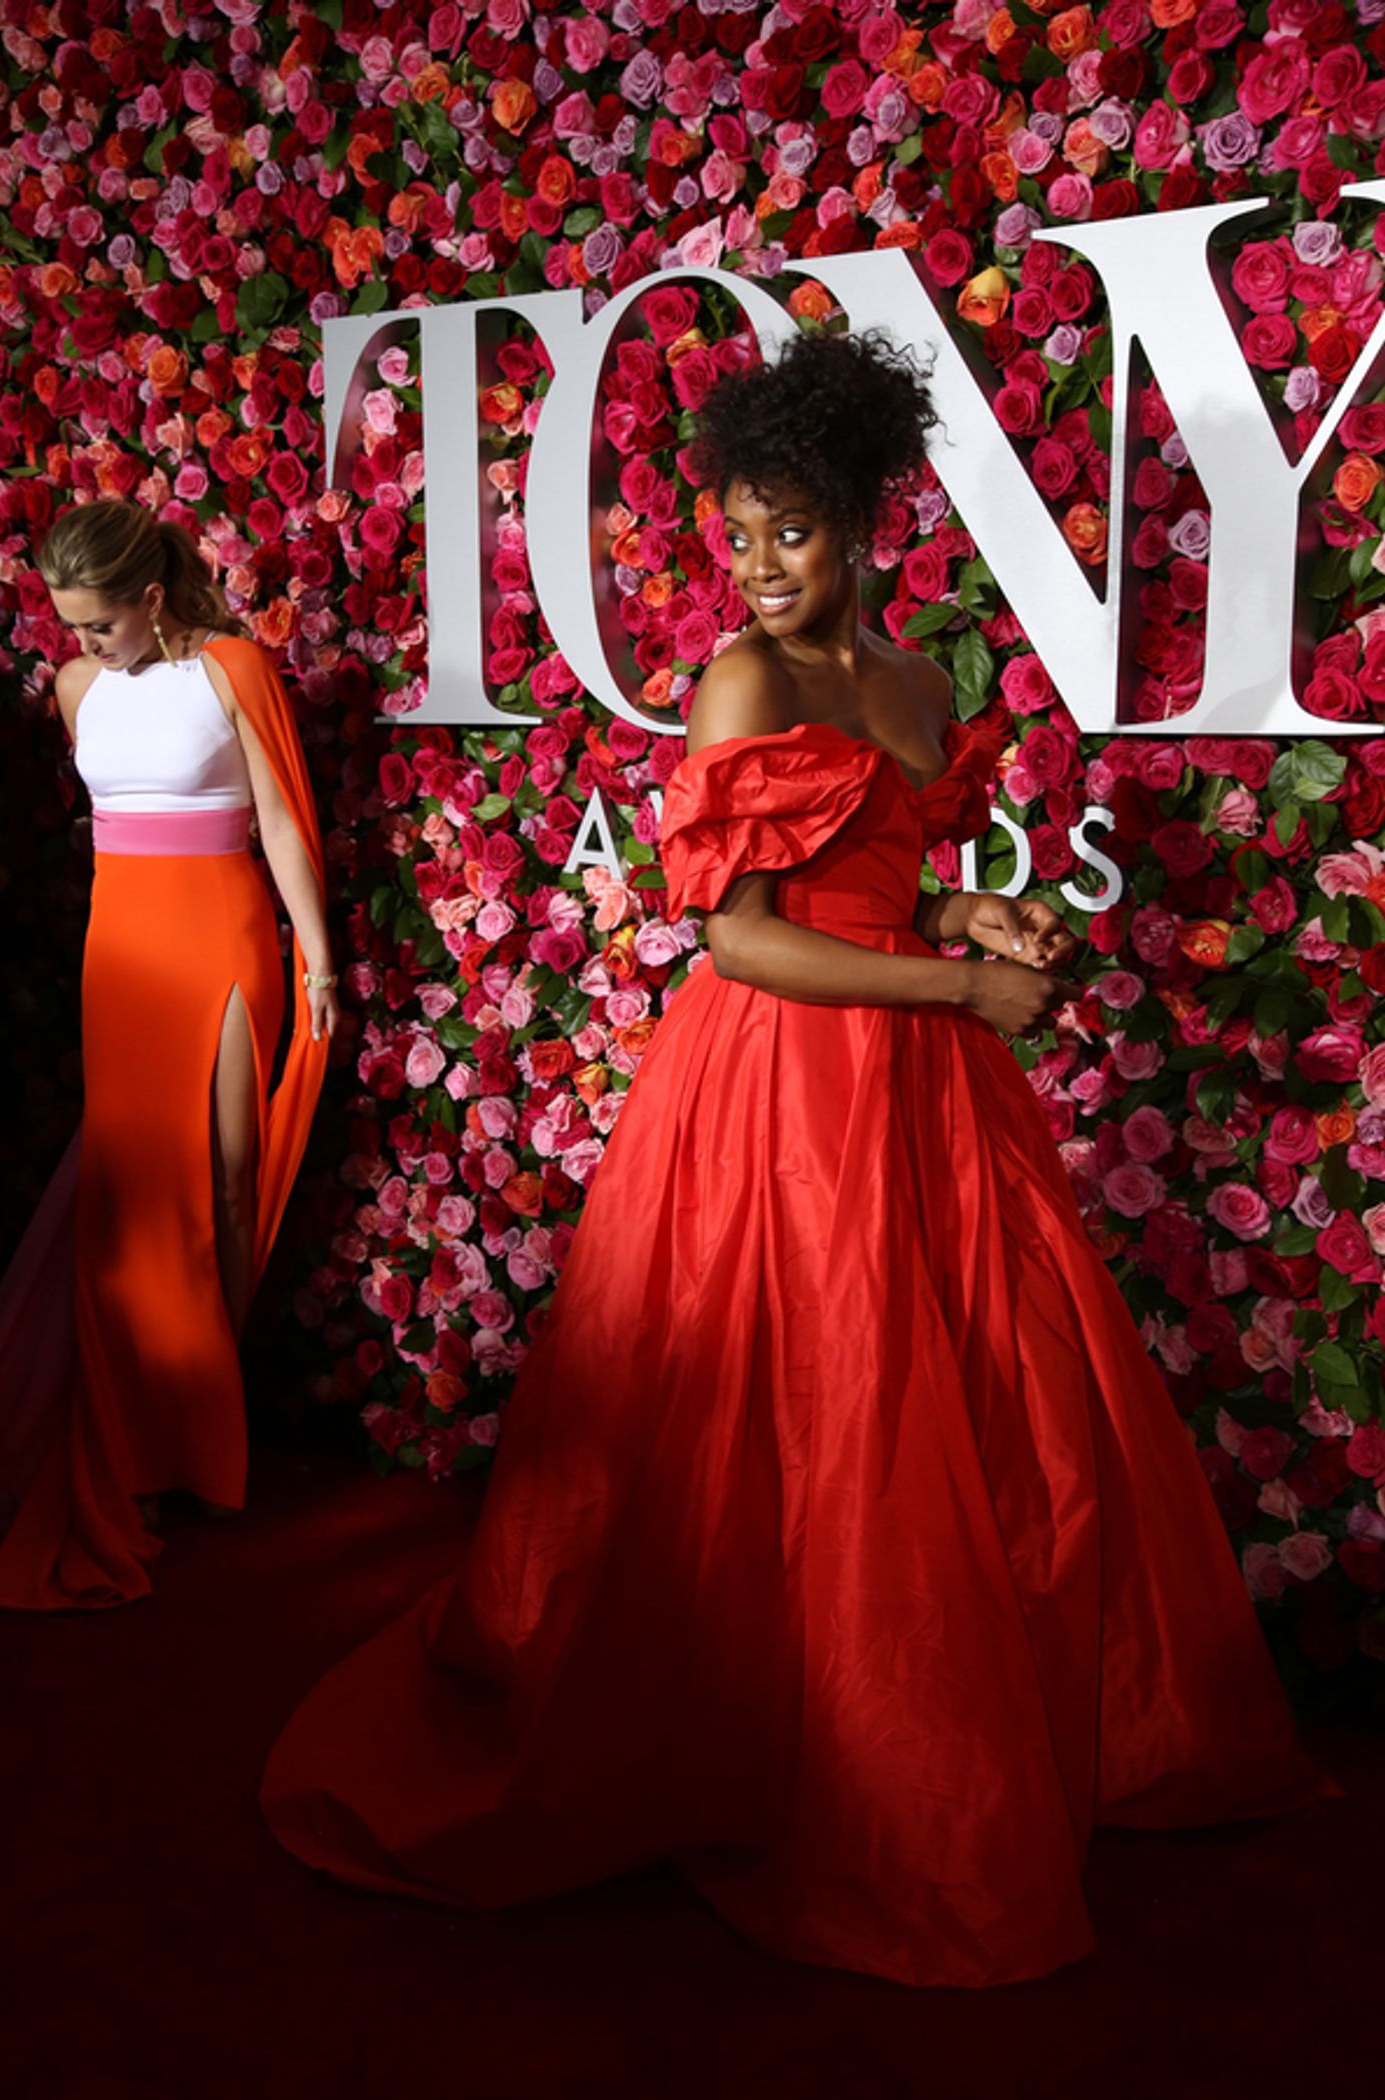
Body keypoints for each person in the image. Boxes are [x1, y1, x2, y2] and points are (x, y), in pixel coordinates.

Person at [260, 333, 1333, 1988]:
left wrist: (982, 915)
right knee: (808, 1404)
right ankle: (800, 1752)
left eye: (793, 531)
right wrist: (963, 988)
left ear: (865, 521)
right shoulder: (742, 687)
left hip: (915, 1088)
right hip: (775, 1095)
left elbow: (889, 885)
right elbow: (743, 941)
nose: (758, 567)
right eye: (740, 534)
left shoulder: (917, 685)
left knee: (953, 1409)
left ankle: (930, 1735)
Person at [0, 500, 334, 1610]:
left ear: (149, 595)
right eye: (70, 625)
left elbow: (281, 821)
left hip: (223, 939)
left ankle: (205, 1424)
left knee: (227, 1180)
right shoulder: (75, 690)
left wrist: (319, 959)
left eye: (99, 623)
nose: (83, 643)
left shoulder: (232, 667)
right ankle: (143, 1431)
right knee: (131, 1198)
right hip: (121, 956)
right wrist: (84, 660)